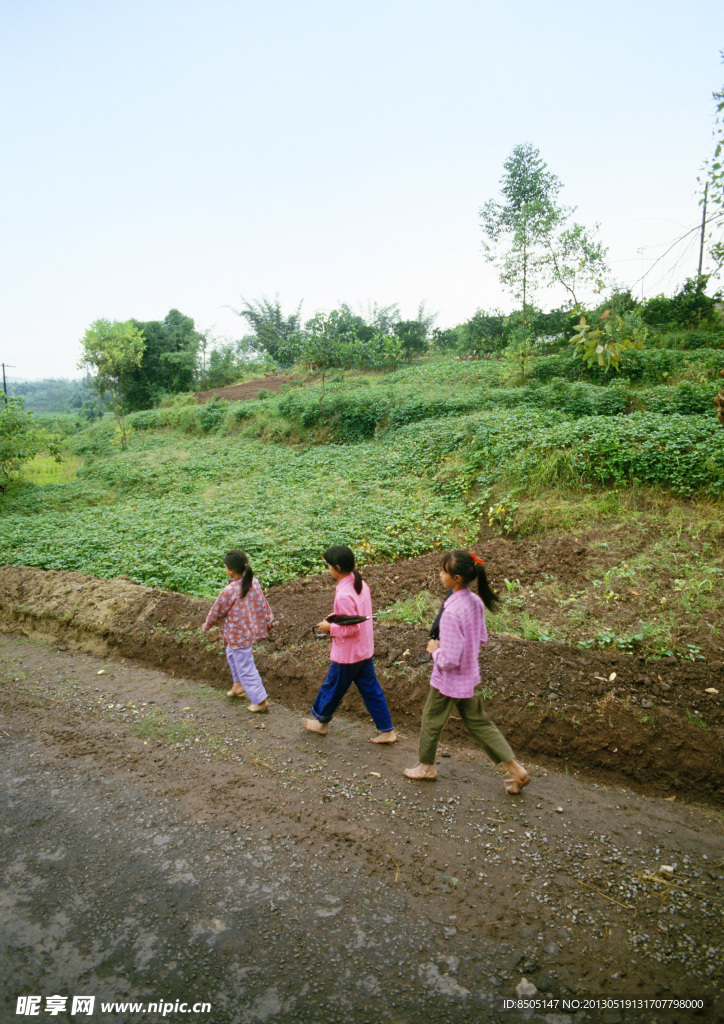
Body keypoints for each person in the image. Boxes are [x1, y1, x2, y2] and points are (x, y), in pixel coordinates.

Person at [404, 549, 530, 795]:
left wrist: (435, 649)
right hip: (469, 676)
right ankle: (516, 769)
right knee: (479, 723)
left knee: (431, 720)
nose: (440, 575)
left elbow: (449, 660)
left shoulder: (451, 613)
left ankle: (426, 767)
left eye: (444, 571)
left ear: (457, 578)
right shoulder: (474, 601)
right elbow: (481, 639)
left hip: (449, 681)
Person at [302, 545, 397, 744]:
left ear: (337, 567)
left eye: (328, 566)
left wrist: (329, 627)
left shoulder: (343, 594)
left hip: (349, 654)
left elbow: (351, 628)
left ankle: (321, 722)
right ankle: (387, 731)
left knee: (332, 687)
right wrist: (336, 619)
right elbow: (356, 619)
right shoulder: (360, 583)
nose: (327, 569)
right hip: (364, 650)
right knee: (371, 690)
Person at [201, 550, 274, 713]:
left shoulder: (231, 590)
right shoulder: (253, 581)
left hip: (238, 634)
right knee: (231, 654)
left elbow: (217, 611)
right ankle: (237, 685)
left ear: (231, 570)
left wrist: (206, 626)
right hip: (247, 631)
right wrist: (269, 619)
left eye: (225, 566)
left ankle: (260, 701)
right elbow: (263, 602)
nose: (225, 569)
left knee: (245, 667)